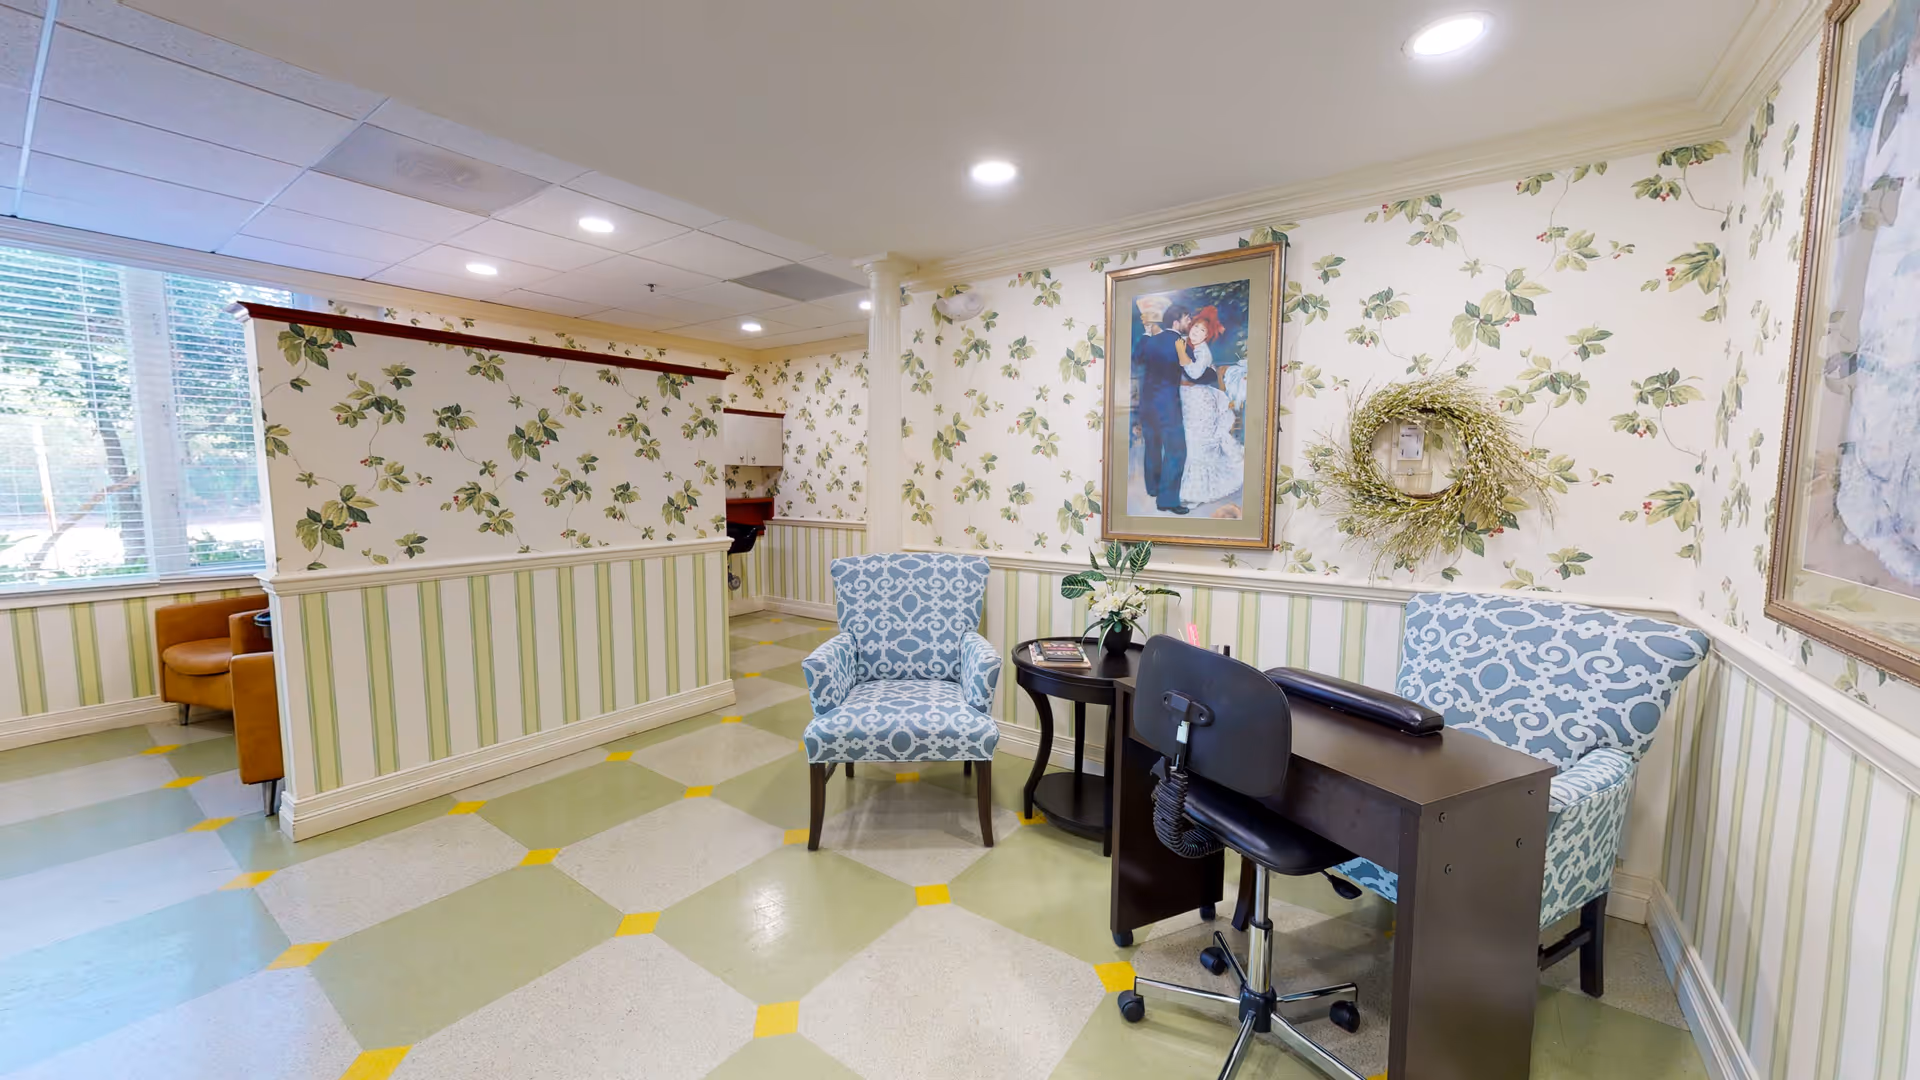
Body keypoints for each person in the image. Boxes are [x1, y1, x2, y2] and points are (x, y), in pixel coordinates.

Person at [1840, 23, 1920, 585]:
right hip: (1898, 261)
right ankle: (1879, 514)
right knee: (1888, 376)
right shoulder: (1899, 88)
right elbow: (1874, 179)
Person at [1172, 306, 1246, 507]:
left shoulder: (1203, 352)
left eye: (1203, 331)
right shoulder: (1184, 342)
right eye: (1196, 327)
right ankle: (1185, 489)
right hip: (1185, 400)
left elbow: (1195, 373)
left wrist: (1181, 354)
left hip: (1201, 402)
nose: (1197, 332)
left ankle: (1197, 494)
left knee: (1198, 444)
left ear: (1208, 335)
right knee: (1187, 443)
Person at [1134, 299, 1192, 514]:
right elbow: (1192, 369)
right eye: (1188, 319)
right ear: (1176, 323)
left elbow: (1136, 358)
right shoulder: (1180, 343)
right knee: (1176, 450)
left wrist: (1147, 334)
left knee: (1152, 446)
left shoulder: (1149, 341)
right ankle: (1167, 501)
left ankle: (1153, 488)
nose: (1190, 322)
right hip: (1168, 406)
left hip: (1147, 406)